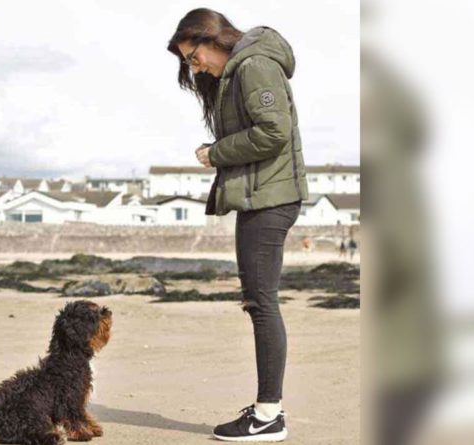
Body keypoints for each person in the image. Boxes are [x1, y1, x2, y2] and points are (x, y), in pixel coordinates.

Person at [168, 8, 308, 442]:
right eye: (189, 63)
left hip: (272, 199)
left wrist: (218, 152)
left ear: (213, 39)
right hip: (264, 198)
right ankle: (268, 410)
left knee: (262, 304)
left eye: (194, 57)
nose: (196, 67)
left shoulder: (255, 65)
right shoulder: (242, 70)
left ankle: (268, 416)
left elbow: (274, 132)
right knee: (259, 302)